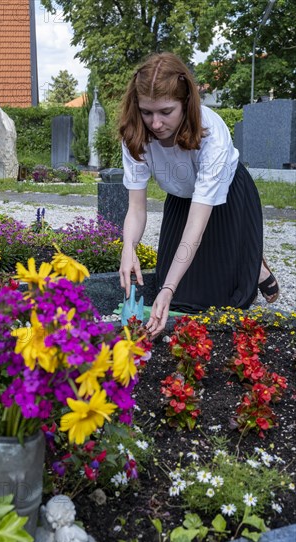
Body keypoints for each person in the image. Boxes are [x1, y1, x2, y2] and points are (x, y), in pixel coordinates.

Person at [118, 52, 279, 339]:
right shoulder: (135, 135)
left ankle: (253, 267)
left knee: (217, 303)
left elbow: (196, 226)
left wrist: (168, 288)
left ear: (186, 103)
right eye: (147, 112)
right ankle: (249, 261)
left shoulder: (211, 132)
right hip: (181, 197)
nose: (155, 123)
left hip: (225, 194)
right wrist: (128, 247)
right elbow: (136, 208)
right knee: (182, 300)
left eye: (166, 112)